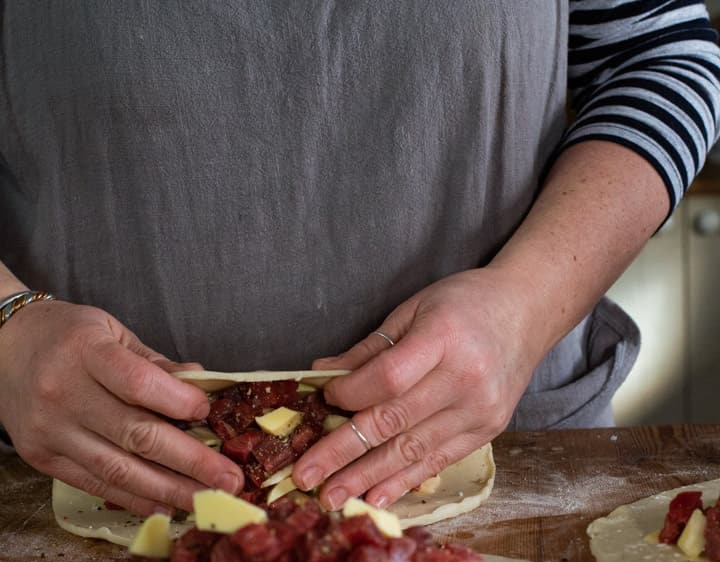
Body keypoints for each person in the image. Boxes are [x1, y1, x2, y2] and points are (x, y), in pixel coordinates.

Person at [1, 1, 719, 516]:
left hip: (505, 472)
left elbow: (660, 59)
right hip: (71, 469)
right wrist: (7, 325)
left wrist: (525, 307)